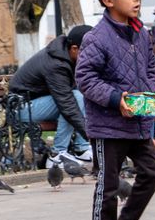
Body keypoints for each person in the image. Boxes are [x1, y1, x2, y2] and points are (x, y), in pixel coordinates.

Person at [75, 0, 155, 220]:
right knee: (109, 183)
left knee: (152, 172)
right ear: (109, 0)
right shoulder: (96, 37)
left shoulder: (141, 34)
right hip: (108, 125)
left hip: (138, 123)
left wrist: (149, 101)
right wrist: (117, 99)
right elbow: (86, 79)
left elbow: (149, 70)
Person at [8, 25, 94, 164]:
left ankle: (81, 149)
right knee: (74, 100)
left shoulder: (66, 58)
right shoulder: (56, 64)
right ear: (74, 48)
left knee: (77, 97)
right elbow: (66, 103)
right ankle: (57, 155)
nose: (92, 57)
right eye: (90, 52)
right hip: (21, 108)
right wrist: (91, 135)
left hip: (39, 104)